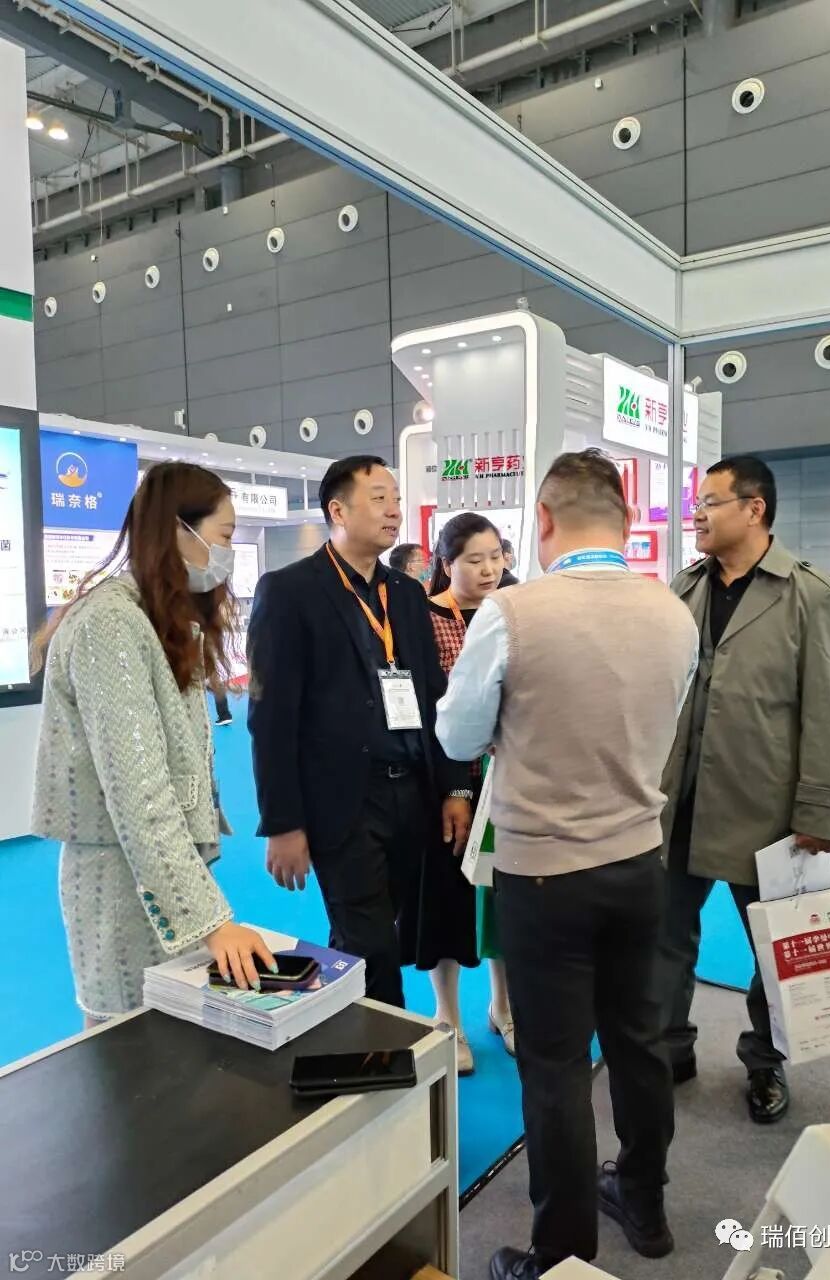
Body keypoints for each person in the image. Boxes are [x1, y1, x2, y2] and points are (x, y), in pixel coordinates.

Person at [437, 449, 699, 1279]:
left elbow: (456, 735)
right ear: (626, 520)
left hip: (543, 871)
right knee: (638, 1041)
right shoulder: (674, 612)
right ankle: (645, 1204)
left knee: (554, 1063)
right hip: (639, 860)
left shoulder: (512, 613)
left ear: (543, 520)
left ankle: (560, 1254)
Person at [31, 462, 276, 1024]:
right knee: (130, 1040)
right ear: (177, 531)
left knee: (173, 1036)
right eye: (224, 536)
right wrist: (213, 922)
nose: (227, 553)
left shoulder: (156, 617)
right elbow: (138, 793)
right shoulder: (110, 624)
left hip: (165, 870)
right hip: (120, 880)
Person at [657, 455, 830, 1124]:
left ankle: (765, 1062)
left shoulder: (810, 595)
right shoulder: (684, 588)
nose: (696, 515)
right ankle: (668, 1049)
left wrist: (818, 809)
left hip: (767, 810)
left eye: (708, 503)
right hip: (680, 802)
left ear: (754, 508)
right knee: (663, 937)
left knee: (777, 948)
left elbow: (828, 714)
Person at [246, 456, 473, 1009]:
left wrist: (454, 787)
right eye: (378, 498)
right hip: (343, 800)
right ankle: (387, 1053)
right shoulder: (290, 592)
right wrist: (283, 823)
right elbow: (271, 718)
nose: (394, 510)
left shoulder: (407, 594)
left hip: (412, 792)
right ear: (338, 510)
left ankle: (342, 1025)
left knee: (371, 931)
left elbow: (434, 698)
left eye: (396, 498)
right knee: (371, 944)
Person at [421, 511, 514, 1075]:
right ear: (446, 563)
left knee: (503, 893)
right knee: (449, 899)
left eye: (496, 557)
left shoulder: (513, 610)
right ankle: (447, 1017)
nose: (488, 569)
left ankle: (503, 1007)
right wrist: (452, 784)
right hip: (446, 782)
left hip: (508, 778)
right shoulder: (423, 616)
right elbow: (430, 709)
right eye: (474, 560)